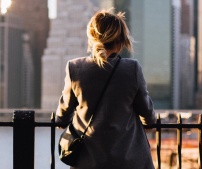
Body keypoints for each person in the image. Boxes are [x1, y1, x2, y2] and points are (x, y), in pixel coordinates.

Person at [55, 9, 156, 169]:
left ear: (92, 38)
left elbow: (63, 115)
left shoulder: (74, 68)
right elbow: (147, 113)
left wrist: (63, 121)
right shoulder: (132, 69)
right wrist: (149, 122)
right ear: (121, 40)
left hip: (88, 160)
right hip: (128, 160)